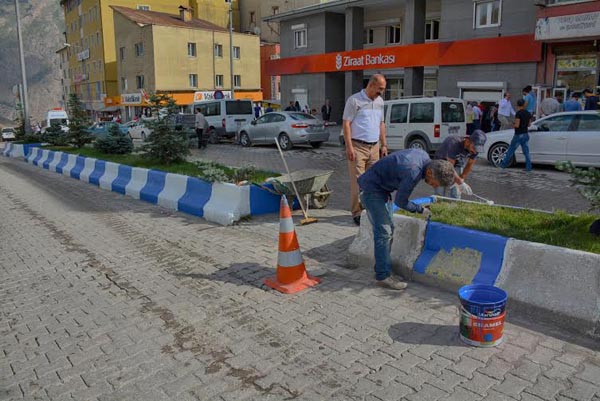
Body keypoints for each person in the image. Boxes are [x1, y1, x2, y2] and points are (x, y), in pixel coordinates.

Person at [358, 149, 455, 290]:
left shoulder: (424, 158)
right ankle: (382, 276)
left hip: (381, 189)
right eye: (435, 183)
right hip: (371, 190)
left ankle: (385, 269)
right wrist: (421, 210)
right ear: (429, 173)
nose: (434, 186)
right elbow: (401, 202)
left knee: (388, 230)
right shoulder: (412, 171)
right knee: (384, 232)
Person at [342, 74, 388, 226]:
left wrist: (384, 145)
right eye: (380, 89)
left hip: (374, 147)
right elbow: (346, 124)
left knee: (373, 181)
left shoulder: (380, 102)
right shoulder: (354, 100)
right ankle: (357, 212)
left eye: (383, 89)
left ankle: (370, 209)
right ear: (371, 85)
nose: (381, 92)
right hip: (357, 147)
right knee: (358, 182)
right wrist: (349, 146)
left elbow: (381, 124)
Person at [434, 130, 486, 199]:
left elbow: (470, 163)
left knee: (456, 192)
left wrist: (462, 178)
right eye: (474, 148)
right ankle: (438, 205)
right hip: (441, 162)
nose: (474, 151)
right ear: (468, 141)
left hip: (457, 163)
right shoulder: (453, 142)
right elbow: (449, 167)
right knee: (440, 191)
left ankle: (454, 207)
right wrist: (460, 182)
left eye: (477, 149)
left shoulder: (475, 150)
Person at [499, 99, 532, 171]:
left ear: (517, 105)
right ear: (523, 105)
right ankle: (529, 167)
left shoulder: (518, 113)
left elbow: (517, 125)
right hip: (525, 134)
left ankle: (503, 165)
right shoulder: (528, 113)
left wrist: (512, 124)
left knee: (510, 150)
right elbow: (529, 125)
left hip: (518, 135)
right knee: (526, 152)